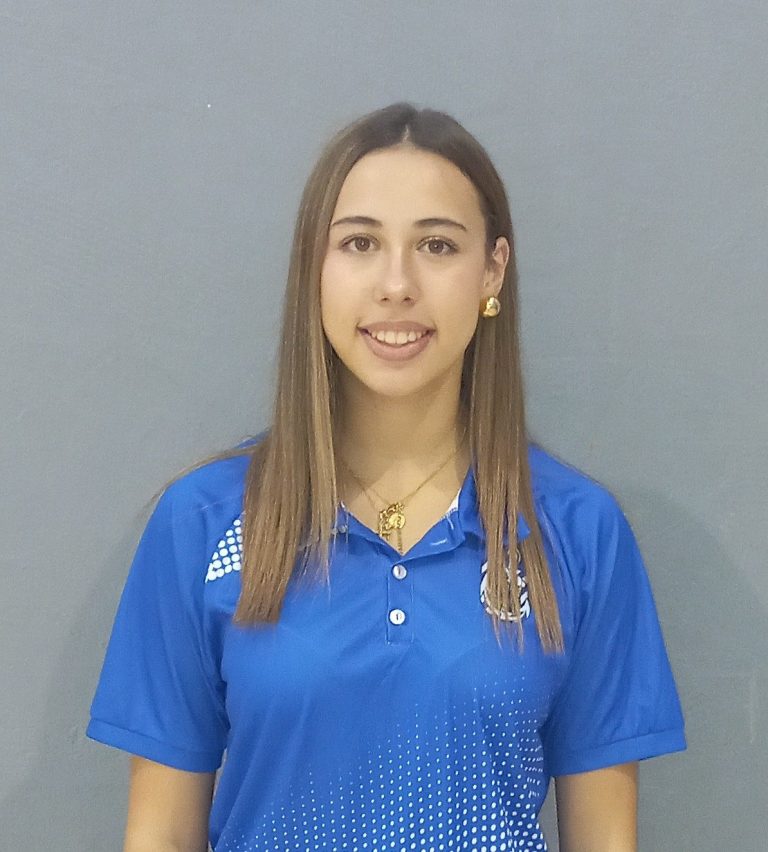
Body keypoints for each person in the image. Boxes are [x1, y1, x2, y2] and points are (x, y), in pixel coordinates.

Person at [87, 102, 686, 851]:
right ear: (315, 267)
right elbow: (160, 837)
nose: (397, 283)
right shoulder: (204, 523)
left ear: (492, 270)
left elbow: (605, 841)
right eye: (360, 243)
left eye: (437, 245)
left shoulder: (577, 532)